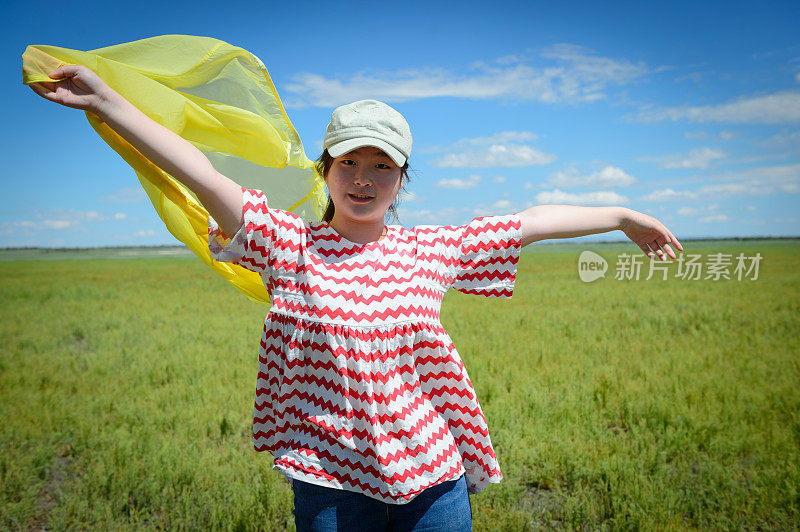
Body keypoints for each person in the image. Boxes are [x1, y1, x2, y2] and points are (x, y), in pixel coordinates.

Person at [30, 63, 682, 531]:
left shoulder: (433, 249)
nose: (363, 179)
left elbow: (532, 222)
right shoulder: (287, 245)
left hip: (432, 480)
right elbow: (199, 173)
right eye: (349, 163)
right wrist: (107, 104)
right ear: (325, 170)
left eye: (381, 167)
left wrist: (622, 213)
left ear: (402, 179)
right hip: (330, 485)